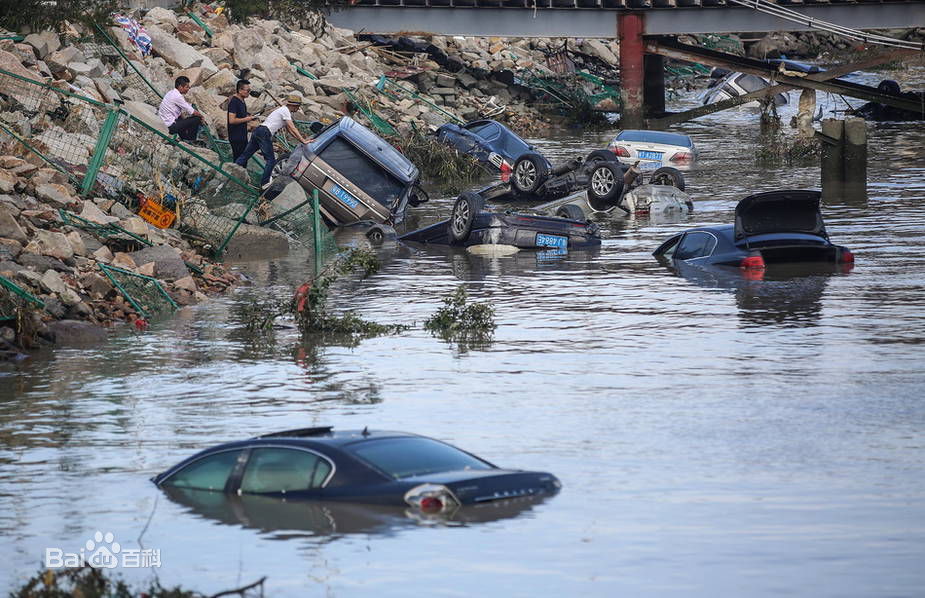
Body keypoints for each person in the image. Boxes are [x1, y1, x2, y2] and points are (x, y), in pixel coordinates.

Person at [235, 93, 310, 188]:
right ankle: (264, 184)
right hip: (265, 133)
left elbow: (290, 130)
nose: (298, 109)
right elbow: (292, 127)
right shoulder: (285, 110)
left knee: (246, 155)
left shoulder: (284, 111)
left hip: (259, 130)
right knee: (271, 160)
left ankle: (231, 170)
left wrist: (299, 140)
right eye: (298, 107)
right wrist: (303, 141)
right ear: (294, 105)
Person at [158, 76, 203, 141]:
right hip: (169, 126)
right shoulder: (177, 97)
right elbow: (192, 111)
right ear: (180, 87)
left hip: (164, 122)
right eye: (187, 87)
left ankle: (184, 137)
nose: (188, 89)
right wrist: (202, 117)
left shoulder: (171, 92)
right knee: (197, 119)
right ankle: (190, 140)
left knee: (182, 118)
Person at [227, 79, 257, 160]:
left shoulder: (242, 101)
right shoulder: (234, 102)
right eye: (247, 90)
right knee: (239, 159)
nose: (249, 93)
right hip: (236, 136)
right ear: (240, 90)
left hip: (242, 135)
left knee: (244, 158)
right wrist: (247, 119)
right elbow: (232, 120)